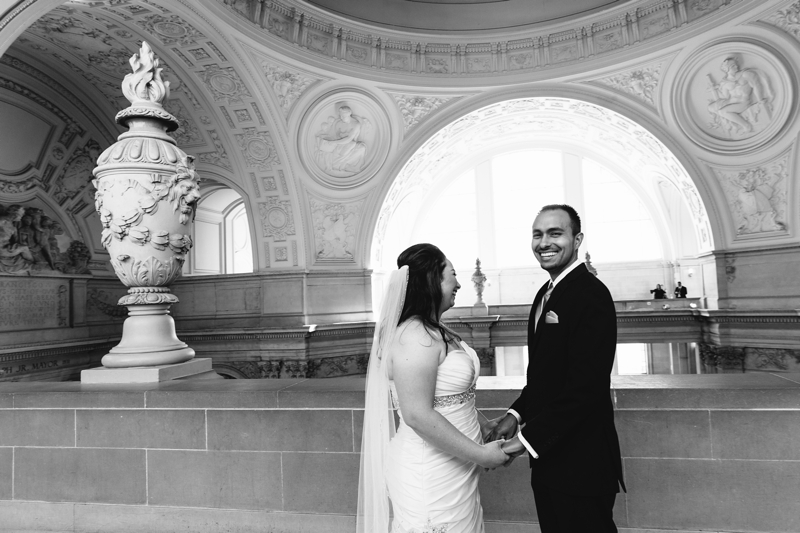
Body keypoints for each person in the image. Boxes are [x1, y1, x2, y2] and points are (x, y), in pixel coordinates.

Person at [490, 205, 625, 532]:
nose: (543, 242)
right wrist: (515, 415)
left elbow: (585, 390)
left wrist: (523, 441)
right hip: (550, 461)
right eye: (537, 234)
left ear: (577, 239)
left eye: (555, 233)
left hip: (583, 463)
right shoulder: (544, 294)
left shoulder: (592, 294)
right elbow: (545, 377)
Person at [357, 243, 508, 533]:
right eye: (452, 274)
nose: (459, 283)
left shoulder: (437, 329)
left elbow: (449, 397)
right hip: (429, 472)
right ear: (432, 280)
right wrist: (481, 454)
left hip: (457, 469)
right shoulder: (414, 336)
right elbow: (416, 414)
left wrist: (484, 425)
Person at [315, 105, 367, 174]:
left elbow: (349, 139)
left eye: (344, 116)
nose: (341, 118)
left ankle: (344, 164)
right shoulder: (339, 123)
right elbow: (334, 135)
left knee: (357, 146)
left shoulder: (355, 124)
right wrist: (328, 141)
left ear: (349, 114)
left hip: (347, 145)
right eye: (341, 116)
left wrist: (334, 142)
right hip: (339, 146)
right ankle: (340, 163)